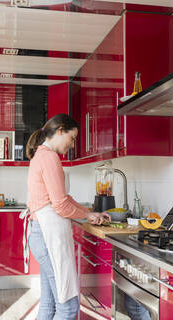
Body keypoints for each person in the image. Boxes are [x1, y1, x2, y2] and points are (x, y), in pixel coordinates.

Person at [24, 114, 111, 320]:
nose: (72, 145)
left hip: (41, 236)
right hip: (48, 239)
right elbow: (61, 205)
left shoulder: (41, 155)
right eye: (72, 138)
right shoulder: (49, 157)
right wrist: (87, 214)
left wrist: (90, 214)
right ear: (60, 130)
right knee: (68, 307)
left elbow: (64, 198)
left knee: (49, 304)